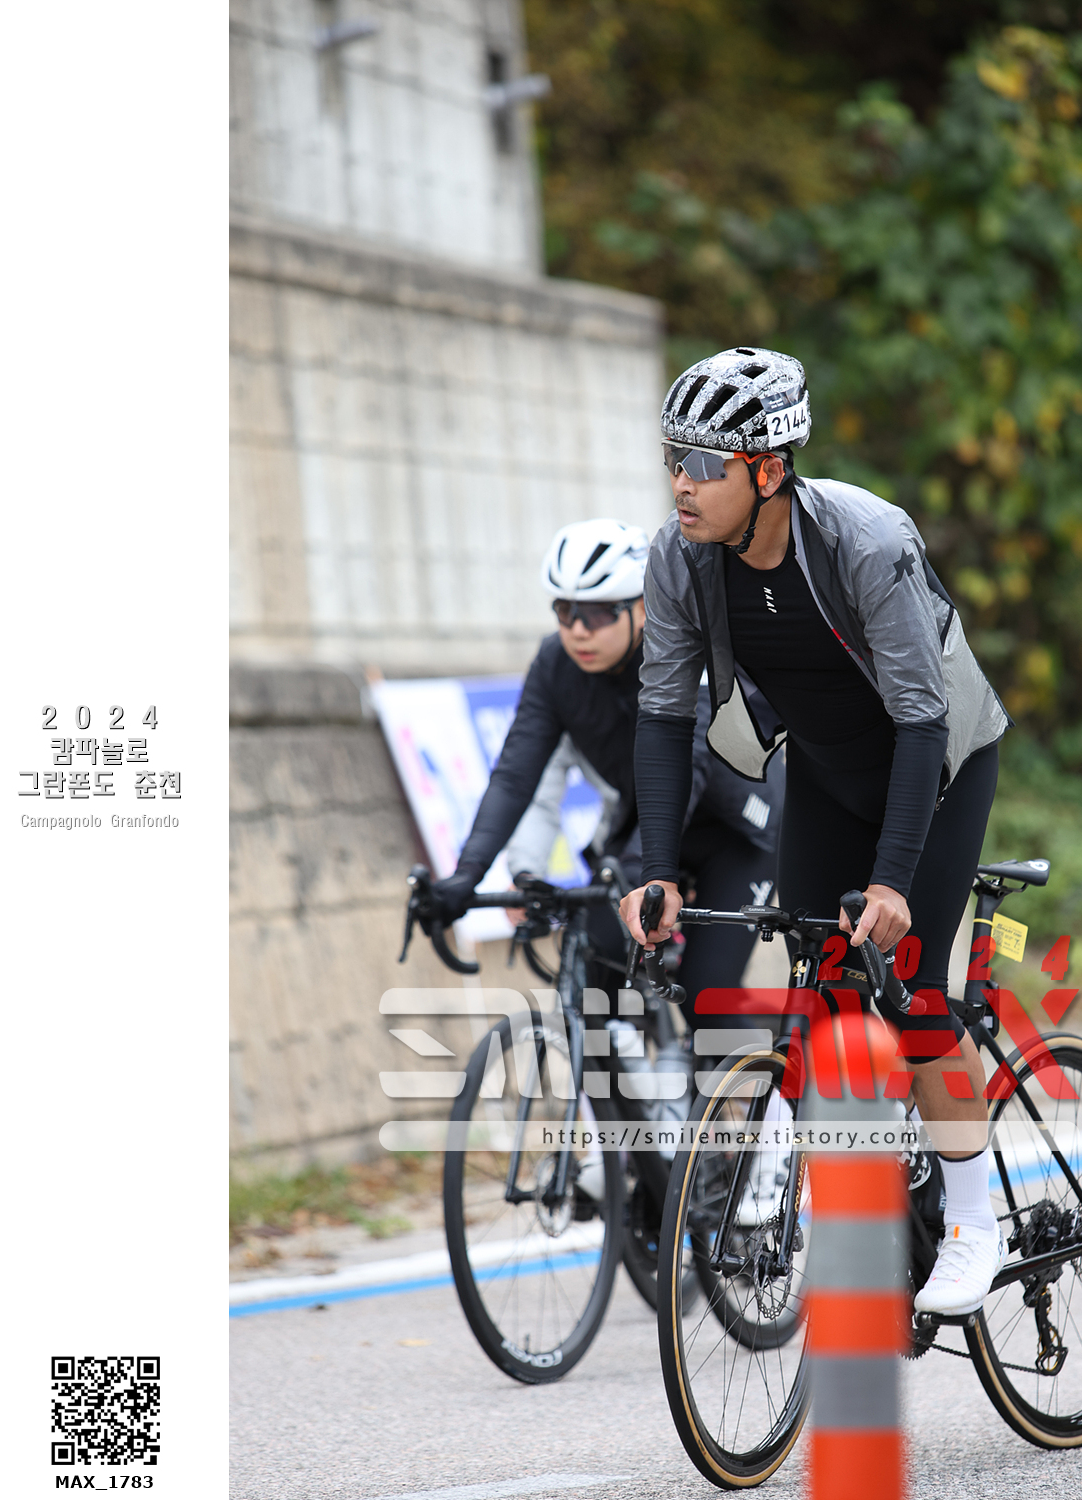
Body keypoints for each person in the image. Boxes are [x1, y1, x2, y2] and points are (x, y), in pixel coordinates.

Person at [620, 347, 1013, 1315]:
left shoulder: (865, 541)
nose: (681, 483)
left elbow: (922, 718)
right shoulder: (680, 556)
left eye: (703, 464)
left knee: (915, 996)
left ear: (768, 471)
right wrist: (658, 869)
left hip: (939, 765)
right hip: (830, 776)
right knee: (820, 998)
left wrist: (891, 880)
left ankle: (976, 1224)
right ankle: (876, 1198)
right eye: (673, 459)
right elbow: (664, 714)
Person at [430, 518, 783, 1037]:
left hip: (736, 834)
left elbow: (686, 771)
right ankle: (637, 1085)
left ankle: (767, 1081)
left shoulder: (682, 648)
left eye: (598, 613)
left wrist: (638, 870)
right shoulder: (555, 664)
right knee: (592, 983)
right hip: (649, 822)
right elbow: (515, 775)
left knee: (706, 994)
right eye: (565, 611)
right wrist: (468, 874)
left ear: (641, 607)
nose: (578, 630)